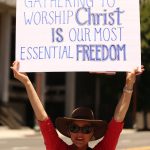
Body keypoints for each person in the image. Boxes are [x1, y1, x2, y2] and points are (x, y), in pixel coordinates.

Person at [11, 61, 144, 150]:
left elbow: (117, 120)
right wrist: (27, 82)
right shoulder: (57, 148)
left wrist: (129, 84)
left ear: (92, 133)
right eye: (75, 128)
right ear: (68, 131)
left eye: (86, 129)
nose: (80, 134)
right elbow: (43, 119)